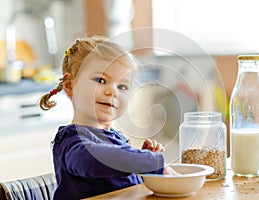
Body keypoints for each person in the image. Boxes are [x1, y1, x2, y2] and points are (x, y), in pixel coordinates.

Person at [39, 36, 177, 200]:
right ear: (70, 86)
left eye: (122, 86)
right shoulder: (72, 141)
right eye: (101, 80)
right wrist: (147, 161)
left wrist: (139, 167)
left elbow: (120, 185)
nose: (113, 91)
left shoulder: (115, 138)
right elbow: (93, 161)